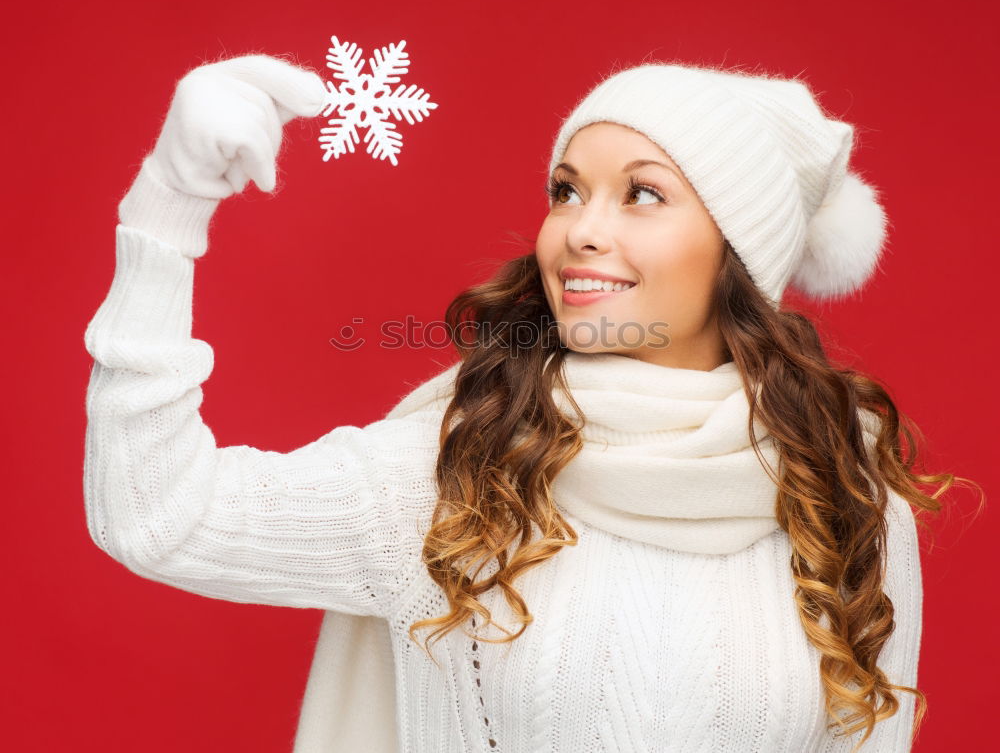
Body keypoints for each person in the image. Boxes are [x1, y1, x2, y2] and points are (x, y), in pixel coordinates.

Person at [82, 54, 964, 753]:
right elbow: (159, 515)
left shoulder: (840, 493)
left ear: (737, 253)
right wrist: (169, 204)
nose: (580, 227)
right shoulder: (459, 468)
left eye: (642, 193)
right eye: (567, 189)